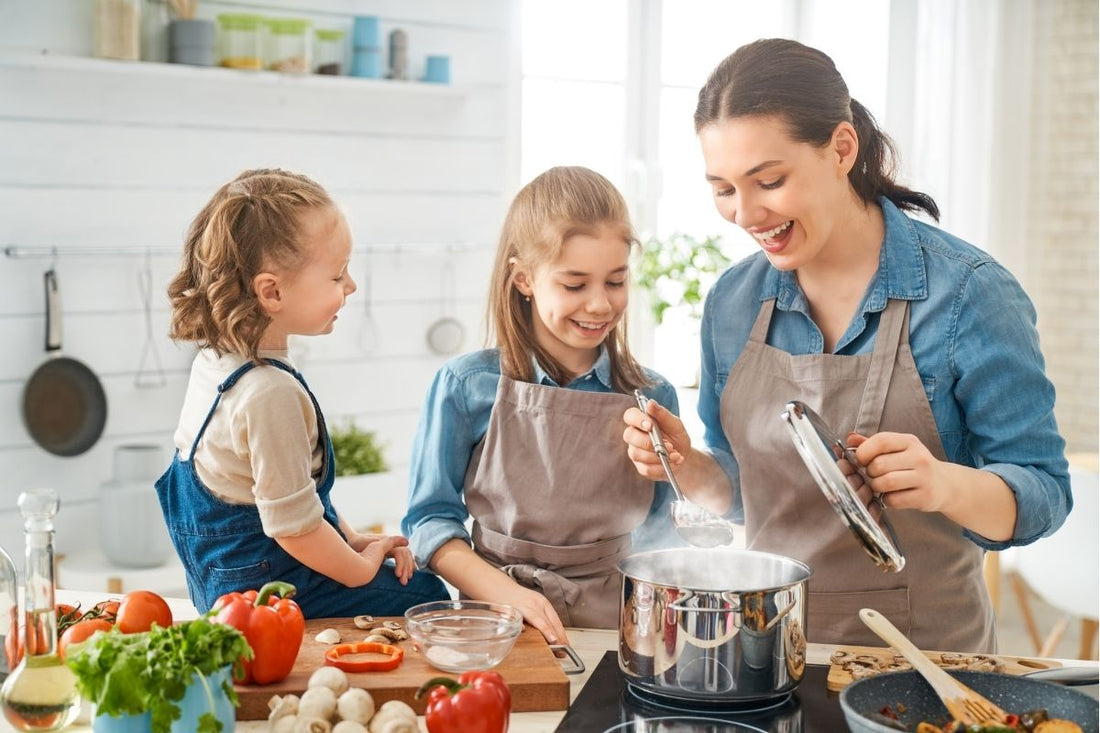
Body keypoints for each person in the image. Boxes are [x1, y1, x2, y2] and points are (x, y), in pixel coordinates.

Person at [622, 39, 1071, 653]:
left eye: (769, 181)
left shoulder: (968, 294)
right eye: (724, 188)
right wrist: (691, 469)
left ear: (841, 148)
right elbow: (745, 491)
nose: (745, 214)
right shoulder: (732, 302)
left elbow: (1044, 494)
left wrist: (942, 485)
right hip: (768, 651)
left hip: (924, 663)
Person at [402, 166, 690, 644]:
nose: (599, 305)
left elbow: (667, 531)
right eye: (575, 285)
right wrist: (504, 593)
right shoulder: (465, 385)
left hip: (618, 622)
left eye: (615, 282)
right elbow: (428, 522)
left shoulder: (652, 396)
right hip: (493, 619)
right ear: (524, 279)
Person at [156, 168, 449, 617]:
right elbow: (293, 529)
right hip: (271, 595)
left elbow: (291, 494)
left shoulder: (214, 362)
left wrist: (351, 539)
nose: (350, 286)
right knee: (427, 596)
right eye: (337, 276)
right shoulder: (268, 392)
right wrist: (360, 566)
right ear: (271, 292)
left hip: (219, 586)